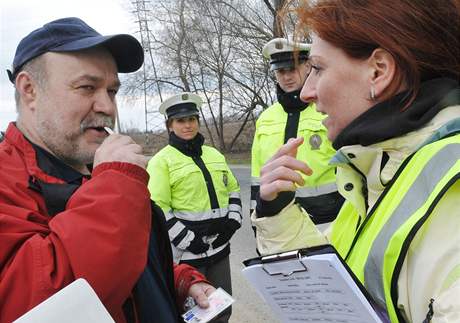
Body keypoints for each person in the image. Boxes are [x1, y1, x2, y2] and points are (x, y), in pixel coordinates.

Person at [252, 0, 460, 322]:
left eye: (317, 69)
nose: (307, 92)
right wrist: (276, 211)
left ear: (379, 71)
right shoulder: (379, 166)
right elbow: (335, 283)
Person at [0, 17, 215, 323]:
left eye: (112, 91)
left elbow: (120, 266)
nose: (108, 107)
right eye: (87, 87)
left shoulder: (88, 169)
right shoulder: (8, 181)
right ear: (29, 89)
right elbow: (45, 305)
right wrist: (116, 184)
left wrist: (179, 282)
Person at [147, 93, 242, 323]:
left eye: (192, 118)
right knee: (196, 316)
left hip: (219, 249)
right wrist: (189, 240)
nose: (188, 125)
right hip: (188, 255)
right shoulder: (162, 161)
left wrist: (232, 223)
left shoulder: (214, 154)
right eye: (180, 120)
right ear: (170, 125)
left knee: (222, 309)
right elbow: (158, 208)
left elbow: (233, 189)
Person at [251, 37, 343, 227]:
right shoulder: (265, 118)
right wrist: (258, 224)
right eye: (280, 71)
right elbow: (257, 176)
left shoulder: (327, 109)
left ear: (308, 66)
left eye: (292, 69)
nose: (286, 77)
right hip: (281, 221)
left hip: (329, 221)